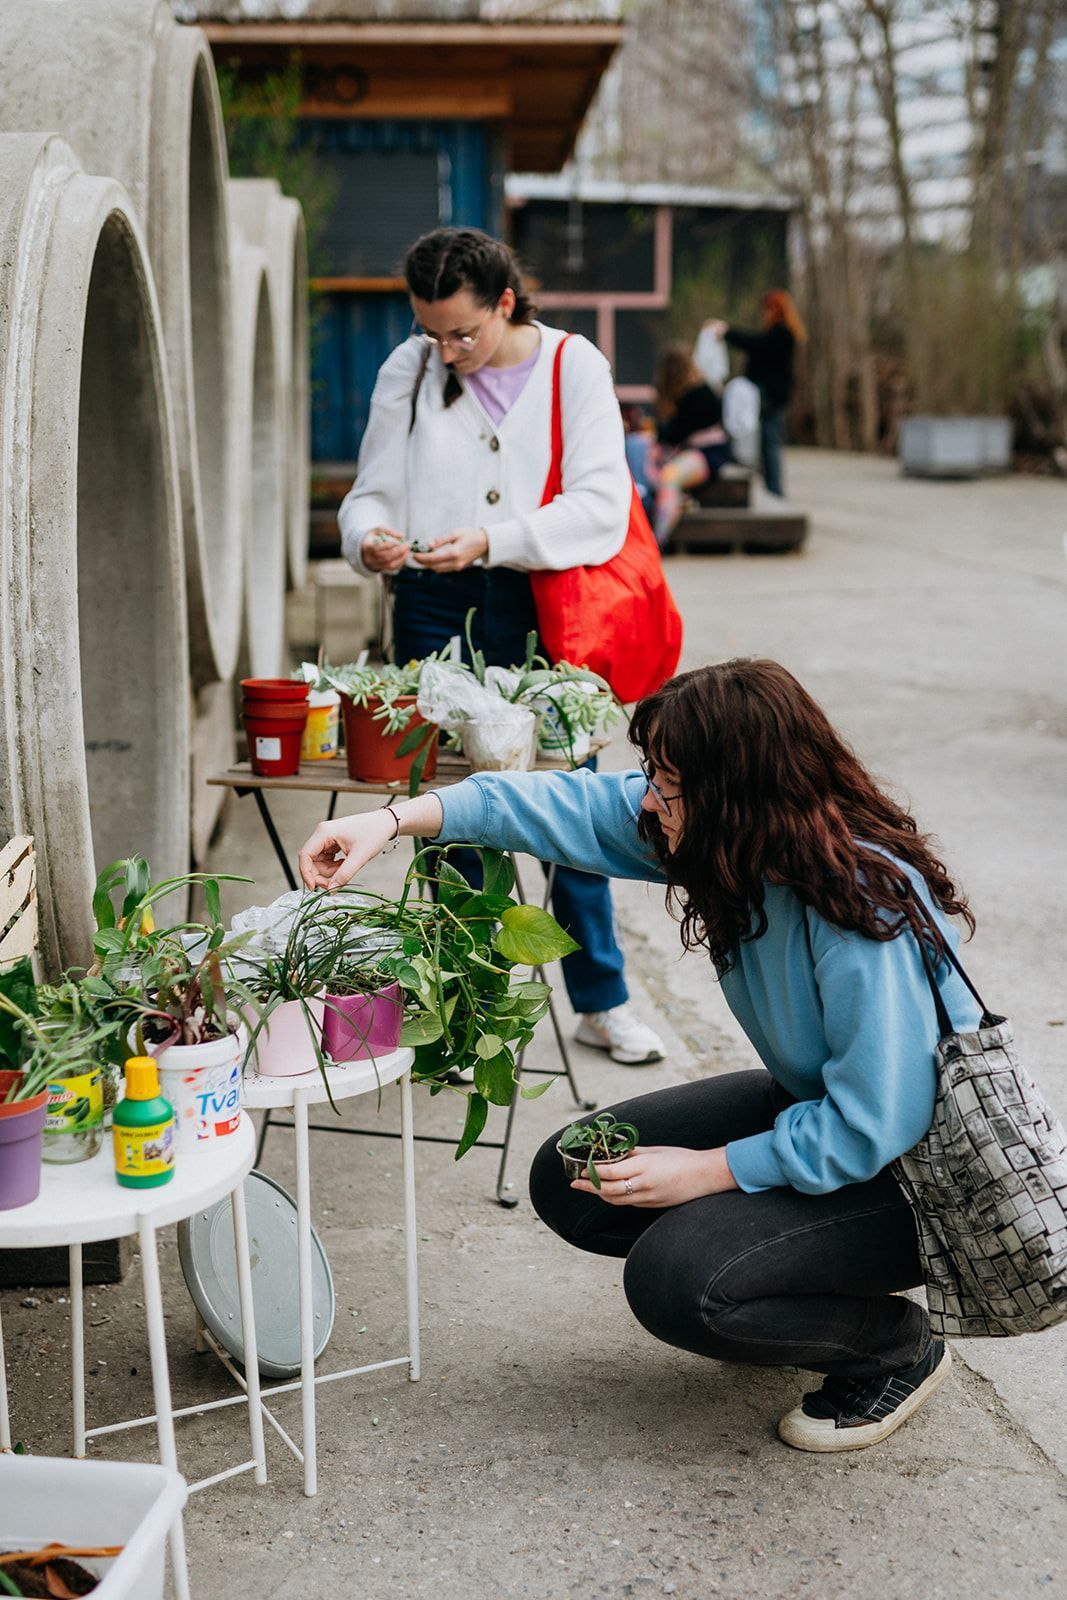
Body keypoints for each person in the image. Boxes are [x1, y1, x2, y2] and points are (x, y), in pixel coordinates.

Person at [298, 657, 979, 1452]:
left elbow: (876, 1120)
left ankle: (892, 1346)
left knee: (677, 1284)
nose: (648, 796)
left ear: (732, 790)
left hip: (917, 1178)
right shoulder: (725, 837)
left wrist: (706, 1171)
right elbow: (561, 805)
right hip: (814, 1113)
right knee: (577, 1173)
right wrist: (389, 820)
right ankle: (781, 1283)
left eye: (665, 779)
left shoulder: (857, 904)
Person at [337, 226, 664, 1066]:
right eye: (430, 331)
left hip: (537, 597)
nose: (446, 351)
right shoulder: (408, 369)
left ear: (506, 302)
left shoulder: (570, 365)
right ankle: (464, 1005)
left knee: (569, 794)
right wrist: (369, 534)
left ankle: (600, 998)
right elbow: (370, 487)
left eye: (463, 332)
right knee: (446, 803)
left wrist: (491, 538)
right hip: (428, 601)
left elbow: (601, 506)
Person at [705, 289, 807, 498]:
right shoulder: (780, 332)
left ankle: (775, 491)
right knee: (766, 445)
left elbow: (756, 344)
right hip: (770, 396)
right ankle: (772, 489)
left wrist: (727, 332)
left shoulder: (782, 333)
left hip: (772, 397)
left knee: (770, 445)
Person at [648, 343, 732, 548]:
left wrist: (658, 432)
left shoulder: (699, 394)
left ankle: (658, 540)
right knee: (655, 471)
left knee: (669, 476)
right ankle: (678, 503)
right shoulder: (691, 392)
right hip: (694, 451)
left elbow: (675, 433)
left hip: (709, 453)